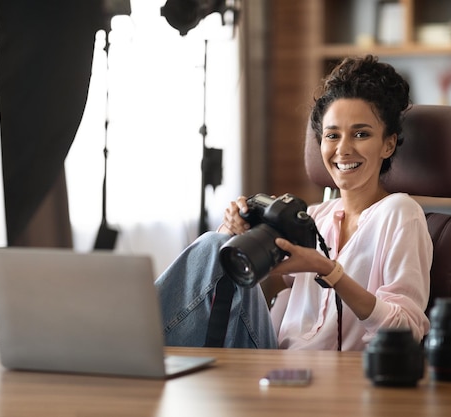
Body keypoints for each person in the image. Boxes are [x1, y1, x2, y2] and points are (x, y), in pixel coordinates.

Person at [155, 55, 432, 351]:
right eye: (332, 135)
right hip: (275, 361)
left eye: (361, 134)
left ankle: (130, 345)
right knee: (217, 244)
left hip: (342, 379)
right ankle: (133, 344)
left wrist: (329, 271)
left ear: (388, 144)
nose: (343, 149)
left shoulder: (401, 213)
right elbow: (245, 277)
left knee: (213, 247)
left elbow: (406, 330)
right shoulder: (312, 217)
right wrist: (235, 229)